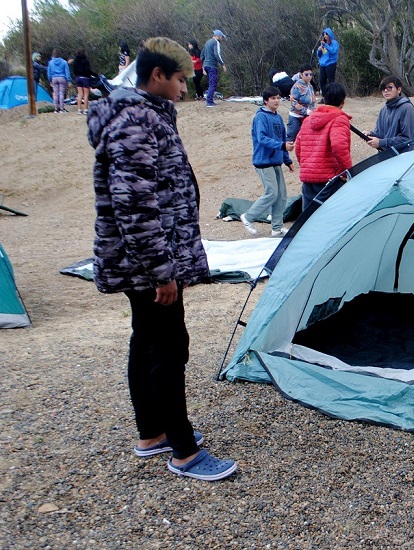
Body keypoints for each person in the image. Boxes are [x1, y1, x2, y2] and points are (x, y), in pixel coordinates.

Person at [87, 37, 237, 482]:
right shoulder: (135, 121)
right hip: (150, 266)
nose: (185, 90)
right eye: (179, 80)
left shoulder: (142, 116)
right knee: (168, 349)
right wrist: (162, 272)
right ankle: (185, 451)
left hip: (145, 263)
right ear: (157, 77)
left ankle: (152, 433)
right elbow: (133, 203)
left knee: (148, 340)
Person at [240, 86, 295, 238]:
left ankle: (277, 228)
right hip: (263, 161)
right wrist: (282, 146)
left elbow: (282, 139)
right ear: (265, 101)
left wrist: (286, 159)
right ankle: (248, 217)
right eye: (273, 98)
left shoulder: (278, 117)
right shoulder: (260, 117)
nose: (276, 101)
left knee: (282, 195)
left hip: (276, 160)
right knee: (272, 192)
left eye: (278, 97)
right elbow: (262, 139)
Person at [294, 82, 352, 210]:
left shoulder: (308, 120)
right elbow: (339, 146)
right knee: (331, 218)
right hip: (329, 179)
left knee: (308, 219)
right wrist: (347, 172)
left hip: (308, 178)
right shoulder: (339, 119)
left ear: (324, 99)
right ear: (343, 102)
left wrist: (307, 166)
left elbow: (298, 147)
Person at [365, 76, 414, 153]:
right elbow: (381, 134)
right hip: (385, 156)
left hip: (403, 158)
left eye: (390, 87)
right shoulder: (383, 111)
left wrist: (381, 142)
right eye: (383, 88)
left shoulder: (407, 108)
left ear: (399, 89)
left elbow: (407, 139)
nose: (386, 90)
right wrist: (370, 134)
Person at [286, 64, 315, 142]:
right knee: (290, 139)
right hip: (296, 116)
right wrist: (306, 111)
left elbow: (312, 102)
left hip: (307, 117)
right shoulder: (296, 87)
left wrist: (312, 111)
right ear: (301, 75)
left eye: (311, 74)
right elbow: (294, 103)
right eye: (306, 74)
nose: (309, 76)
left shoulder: (310, 87)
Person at [201, 29, 227, 107]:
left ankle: (209, 100)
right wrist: (223, 64)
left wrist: (203, 66)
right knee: (212, 84)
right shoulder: (216, 42)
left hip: (206, 65)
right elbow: (217, 54)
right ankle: (209, 102)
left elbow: (202, 55)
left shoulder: (207, 42)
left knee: (211, 83)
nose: (222, 38)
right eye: (221, 36)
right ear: (218, 36)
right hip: (212, 65)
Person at [47, 48, 72, 113]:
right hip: (62, 78)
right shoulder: (64, 62)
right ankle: (62, 108)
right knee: (61, 94)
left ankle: (56, 109)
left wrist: (50, 80)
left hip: (54, 78)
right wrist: (69, 81)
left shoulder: (50, 62)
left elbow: (49, 72)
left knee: (55, 93)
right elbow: (67, 72)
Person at [73, 49, 93, 115]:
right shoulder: (85, 61)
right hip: (85, 78)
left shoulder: (75, 61)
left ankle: (79, 110)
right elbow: (88, 70)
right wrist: (93, 75)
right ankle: (86, 109)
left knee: (80, 94)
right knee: (86, 95)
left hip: (78, 78)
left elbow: (74, 71)